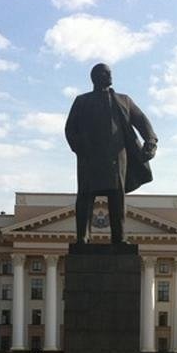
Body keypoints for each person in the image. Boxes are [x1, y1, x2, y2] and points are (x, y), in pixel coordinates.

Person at [65, 63, 158, 245]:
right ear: (96, 77)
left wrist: (151, 141)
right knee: (85, 196)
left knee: (117, 197)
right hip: (89, 158)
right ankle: (82, 238)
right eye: (106, 73)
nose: (110, 76)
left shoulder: (123, 100)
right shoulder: (82, 101)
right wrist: (80, 147)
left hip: (116, 157)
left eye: (110, 73)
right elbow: (70, 129)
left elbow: (141, 120)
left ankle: (119, 238)